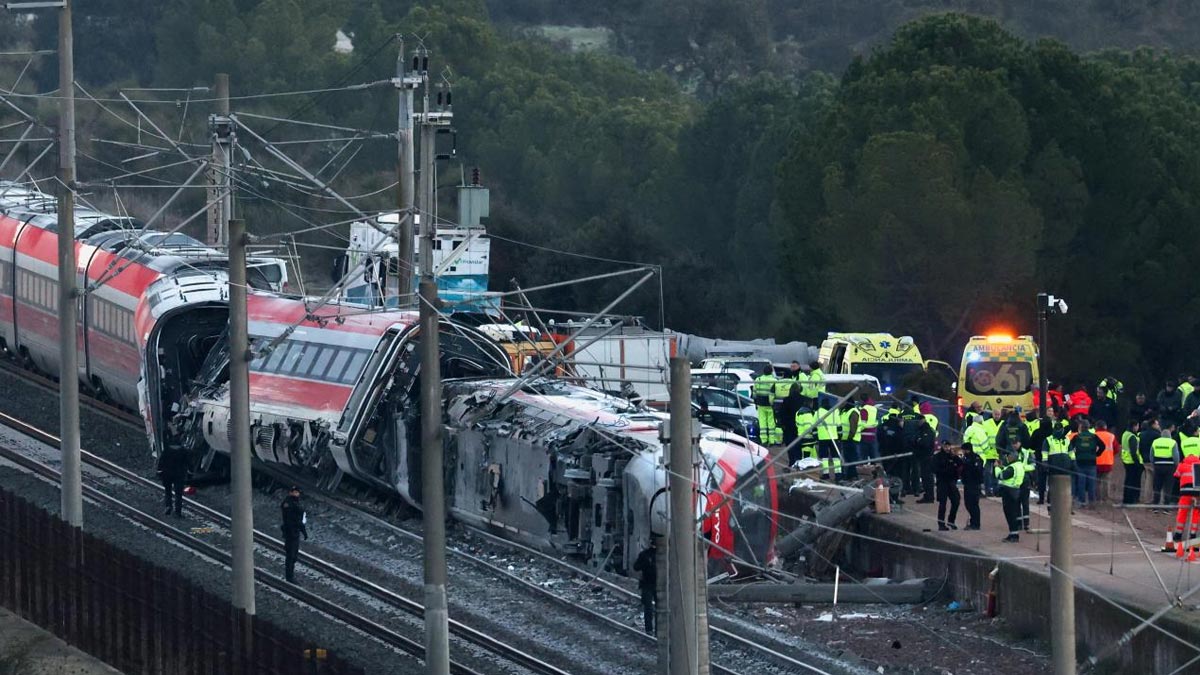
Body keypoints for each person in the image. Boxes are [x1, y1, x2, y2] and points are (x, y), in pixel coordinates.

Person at [1173, 442, 1200, 561]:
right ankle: (1193, 534)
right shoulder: (1199, 464)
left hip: (1184, 492)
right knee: (1196, 513)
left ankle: (1178, 534)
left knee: (1182, 512)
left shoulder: (1182, 464)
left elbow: (1176, 475)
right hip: (1197, 493)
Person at [156, 430, 189, 518]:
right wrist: (190, 473)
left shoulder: (167, 450)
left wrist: (159, 471)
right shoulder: (183, 451)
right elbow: (188, 463)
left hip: (167, 474)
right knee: (178, 494)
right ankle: (178, 512)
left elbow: (161, 461)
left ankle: (168, 506)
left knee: (168, 491)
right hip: (179, 475)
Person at [995, 449, 1026, 543]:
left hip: (1009, 492)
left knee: (1010, 514)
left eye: (1008, 456)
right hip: (1016, 490)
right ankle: (1013, 533)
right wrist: (1002, 467)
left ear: (1012, 457)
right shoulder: (1019, 465)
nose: (1007, 458)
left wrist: (997, 467)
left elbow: (1000, 476)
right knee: (1013, 513)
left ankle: (1014, 535)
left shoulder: (1012, 467)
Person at [1070, 419, 1101, 508]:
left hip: (1080, 462)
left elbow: (1070, 447)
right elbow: (1102, 445)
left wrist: (1075, 454)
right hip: (1091, 462)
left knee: (1081, 483)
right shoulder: (1094, 437)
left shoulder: (1077, 437)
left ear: (1081, 427)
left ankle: (1082, 502)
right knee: (1091, 483)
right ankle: (1092, 502)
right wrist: (1096, 454)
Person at [1041, 424, 1075, 508]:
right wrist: (1045, 463)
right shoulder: (1048, 440)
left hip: (1066, 466)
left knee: (1066, 486)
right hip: (1054, 466)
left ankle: (1065, 506)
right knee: (1053, 486)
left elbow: (1071, 452)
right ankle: (1050, 505)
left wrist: (1073, 462)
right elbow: (1044, 452)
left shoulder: (1066, 439)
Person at [281, 486, 309, 583]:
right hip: (290, 533)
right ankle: (289, 577)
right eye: (295, 492)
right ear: (291, 492)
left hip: (295, 532)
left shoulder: (295, 503)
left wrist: (303, 531)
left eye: (298, 492)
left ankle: (290, 576)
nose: (297, 494)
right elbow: (290, 520)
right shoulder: (288, 503)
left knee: (294, 556)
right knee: (290, 556)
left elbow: (299, 519)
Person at [932, 442, 962, 530]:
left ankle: (951, 521)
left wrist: (954, 456)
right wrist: (946, 469)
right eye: (945, 446)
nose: (947, 448)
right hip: (942, 482)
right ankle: (941, 524)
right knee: (942, 503)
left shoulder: (952, 456)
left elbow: (960, 463)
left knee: (956, 500)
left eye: (948, 446)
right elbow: (934, 468)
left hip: (951, 482)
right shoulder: (937, 457)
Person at [1151, 422, 1180, 512]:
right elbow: (1176, 456)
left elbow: (1151, 455)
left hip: (1158, 466)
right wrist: (1177, 465)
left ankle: (1155, 506)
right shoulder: (1172, 442)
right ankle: (1166, 508)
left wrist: (1154, 463)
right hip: (1170, 467)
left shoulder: (1155, 442)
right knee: (1168, 487)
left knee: (1157, 486)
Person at [633, 543, 657, 634]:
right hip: (648, 584)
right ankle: (650, 630)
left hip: (655, 584)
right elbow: (636, 567)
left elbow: (636, 567)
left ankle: (653, 630)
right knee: (649, 608)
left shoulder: (660, 555)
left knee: (652, 608)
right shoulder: (645, 555)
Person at [815, 398, 841, 480]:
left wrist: (815, 437)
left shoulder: (818, 412)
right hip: (834, 436)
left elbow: (814, 425)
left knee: (824, 457)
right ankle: (838, 474)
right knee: (836, 457)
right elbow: (839, 424)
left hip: (823, 437)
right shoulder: (835, 411)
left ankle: (826, 474)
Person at [961, 442, 984, 530]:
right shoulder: (966, 458)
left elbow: (977, 471)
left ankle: (976, 524)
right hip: (968, 483)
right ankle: (973, 521)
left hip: (973, 484)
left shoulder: (974, 458)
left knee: (973, 504)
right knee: (968, 504)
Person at [981, 408, 1004, 497]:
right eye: (996, 414)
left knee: (997, 473)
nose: (997, 416)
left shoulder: (1003, 424)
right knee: (987, 472)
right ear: (993, 414)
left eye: (998, 414)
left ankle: (996, 490)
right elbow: (983, 436)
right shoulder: (986, 423)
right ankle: (988, 490)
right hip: (988, 452)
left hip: (999, 453)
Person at [752, 366, 777, 446]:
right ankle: (772, 441)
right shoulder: (774, 381)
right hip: (770, 404)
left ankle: (763, 440)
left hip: (760, 404)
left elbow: (754, 393)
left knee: (762, 423)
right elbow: (775, 393)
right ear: (771, 371)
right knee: (771, 423)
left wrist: (755, 402)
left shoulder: (758, 380)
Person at [1121, 419, 1143, 505]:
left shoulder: (1125, 434)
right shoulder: (1132, 437)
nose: (1138, 428)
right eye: (1137, 426)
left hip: (1125, 460)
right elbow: (1133, 452)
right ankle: (1131, 499)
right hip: (1132, 461)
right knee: (1132, 481)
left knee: (1128, 480)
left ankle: (1126, 498)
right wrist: (1137, 462)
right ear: (1134, 426)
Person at [1094, 420, 1116, 503]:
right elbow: (1116, 448)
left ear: (1096, 427)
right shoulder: (1111, 436)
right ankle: (1105, 498)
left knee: (1096, 481)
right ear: (1105, 427)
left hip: (1096, 462)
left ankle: (1097, 498)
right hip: (1108, 461)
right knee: (1106, 481)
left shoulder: (1093, 436)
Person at [777, 384, 802, 450]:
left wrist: (782, 424)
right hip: (800, 425)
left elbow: (782, 413)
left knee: (790, 446)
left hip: (789, 426)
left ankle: (792, 459)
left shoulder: (786, 400)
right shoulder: (804, 399)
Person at [859, 395, 879, 460]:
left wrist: (858, 431)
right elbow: (876, 421)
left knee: (864, 456)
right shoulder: (874, 408)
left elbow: (863, 423)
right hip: (873, 434)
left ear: (862, 401)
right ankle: (874, 469)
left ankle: (865, 469)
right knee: (873, 455)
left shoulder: (864, 409)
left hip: (864, 434)